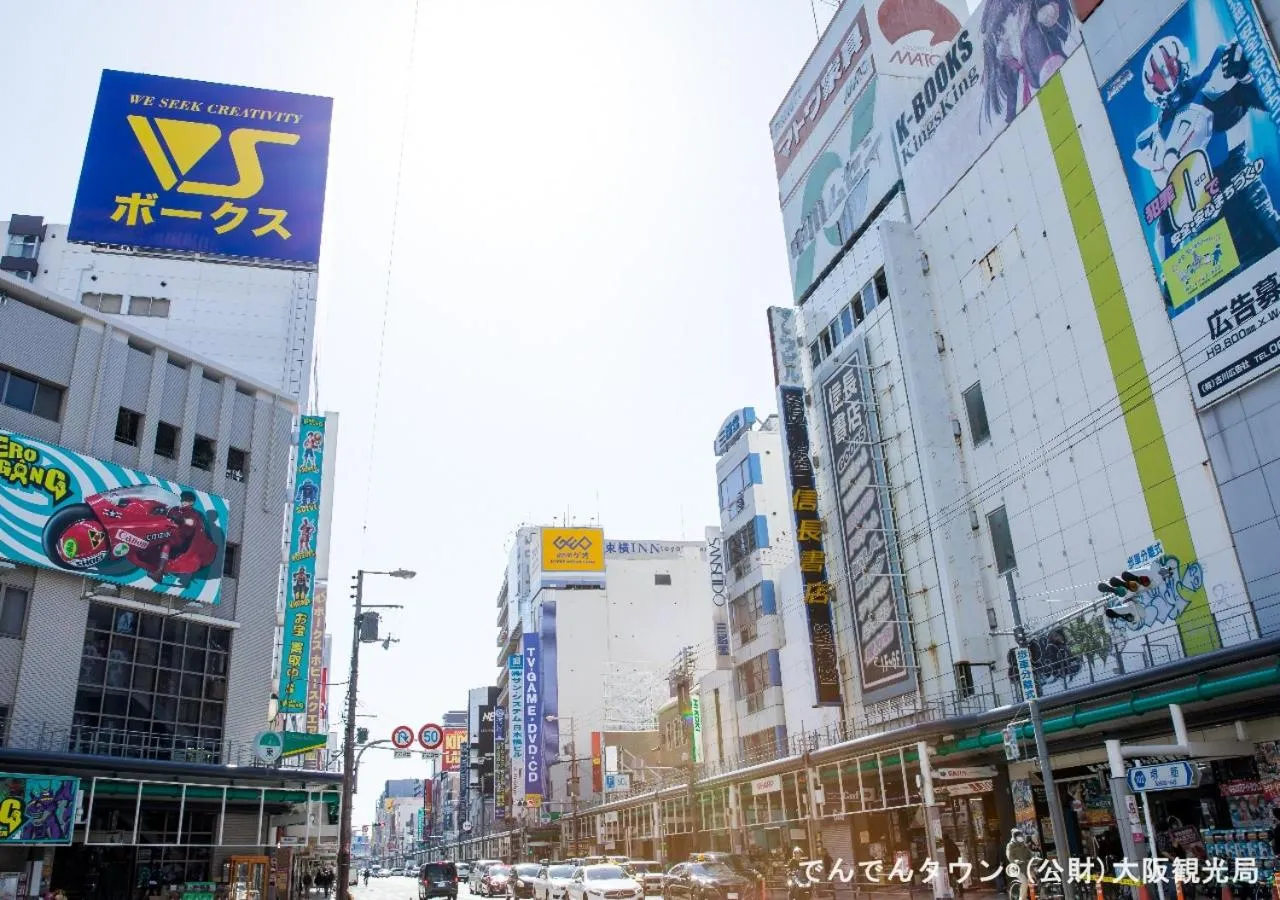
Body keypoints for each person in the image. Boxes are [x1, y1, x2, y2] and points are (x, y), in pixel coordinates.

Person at [1005, 830, 1033, 900]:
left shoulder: (1023, 845)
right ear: (1015, 837)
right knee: (1024, 881)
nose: (1021, 837)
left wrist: (1033, 858)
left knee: (1035, 878)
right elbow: (1009, 856)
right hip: (1016, 868)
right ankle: (1022, 898)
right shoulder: (1010, 845)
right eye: (1019, 836)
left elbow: (1029, 853)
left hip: (1026, 867)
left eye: (1021, 835)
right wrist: (1015, 861)